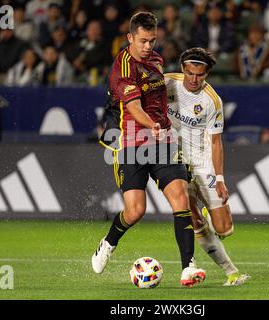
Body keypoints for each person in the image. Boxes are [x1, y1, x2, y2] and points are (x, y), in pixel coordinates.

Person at [93, 12, 206, 287]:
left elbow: (159, 96)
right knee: (135, 211)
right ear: (130, 37)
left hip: (162, 141)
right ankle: (108, 242)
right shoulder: (122, 68)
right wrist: (151, 124)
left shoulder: (156, 59)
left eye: (152, 40)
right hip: (131, 144)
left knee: (180, 196)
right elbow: (133, 107)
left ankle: (188, 268)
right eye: (143, 41)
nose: (148, 46)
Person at [165, 47, 250, 286]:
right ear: (183, 69)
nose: (193, 79)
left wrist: (220, 178)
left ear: (207, 73)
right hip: (175, 162)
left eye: (199, 75)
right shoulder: (166, 83)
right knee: (192, 219)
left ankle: (209, 213)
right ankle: (231, 271)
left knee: (224, 228)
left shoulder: (212, 100)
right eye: (190, 73)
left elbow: (216, 142)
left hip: (202, 162)